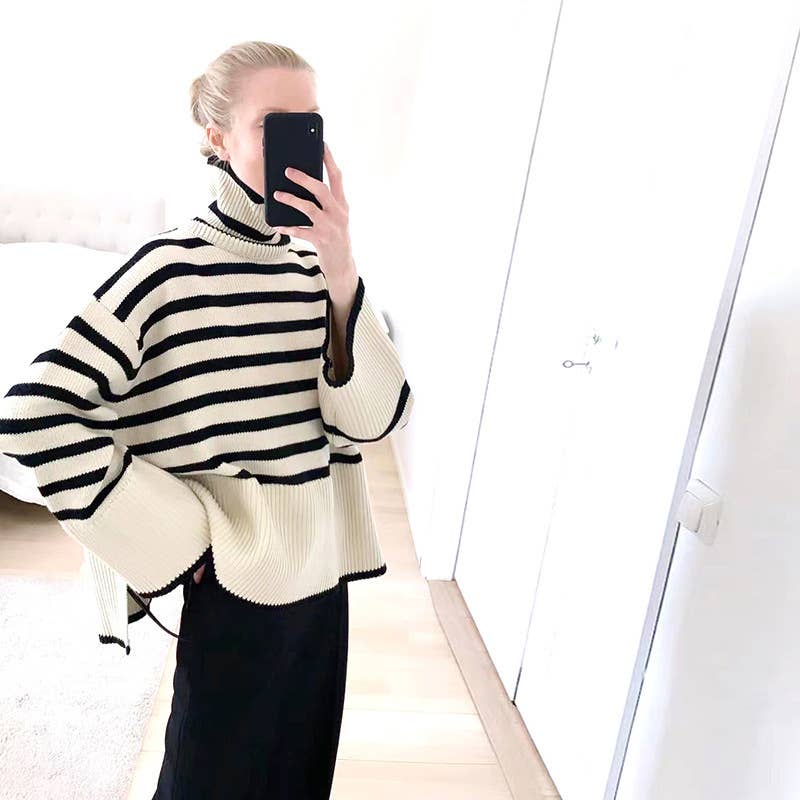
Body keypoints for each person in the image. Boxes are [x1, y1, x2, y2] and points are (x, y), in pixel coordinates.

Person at [0, 39, 414, 799]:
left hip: (324, 575)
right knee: (206, 781)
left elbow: (373, 420)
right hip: (236, 586)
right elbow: (35, 415)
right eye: (274, 125)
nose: (299, 145)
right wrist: (180, 538)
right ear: (216, 139)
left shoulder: (315, 268)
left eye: (310, 124)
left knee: (299, 775)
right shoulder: (166, 270)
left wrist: (342, 272)